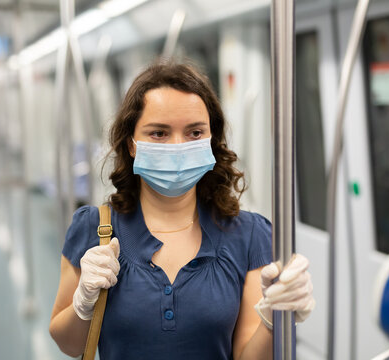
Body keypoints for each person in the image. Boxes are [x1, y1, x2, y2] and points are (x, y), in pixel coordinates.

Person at [49, 61, 315, 360]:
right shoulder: (95, 228)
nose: (177, 146)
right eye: (159, 133)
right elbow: (70, 345)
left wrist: (273, 319)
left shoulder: (249, 235)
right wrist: (83, 303)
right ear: (132, 144)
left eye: (194, 132)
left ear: (211, 140)